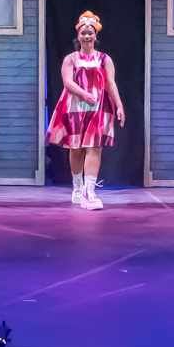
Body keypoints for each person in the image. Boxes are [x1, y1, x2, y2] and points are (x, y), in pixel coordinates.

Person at [45, 11, 126, 211]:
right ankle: (78, 186)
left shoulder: (104, 59)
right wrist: (84, 94)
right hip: (75, 106)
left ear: (95, 35)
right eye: (83, 33)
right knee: (76, 148)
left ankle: (89, 192)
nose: (87, 36)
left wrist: (119, 105)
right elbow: (67, 82)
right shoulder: (71, 59)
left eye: (90, 33)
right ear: (78, 36)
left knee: (95, 147)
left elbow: (110, 83)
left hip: (99, 107)